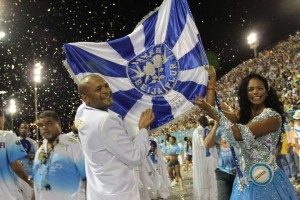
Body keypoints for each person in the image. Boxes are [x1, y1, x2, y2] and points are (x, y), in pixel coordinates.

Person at [195, 72, 298, 199]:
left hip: (267, 181)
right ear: (245, 93)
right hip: (244, 182)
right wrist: (212, 81)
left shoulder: (273, 117)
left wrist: (211, 110)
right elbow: (210, 109)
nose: (255, 92)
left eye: (260, 88)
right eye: (251, 89)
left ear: (267, 92)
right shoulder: (241, 114)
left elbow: (239, 134)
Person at [75, 74, 155, 200]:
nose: (106, 91)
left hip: (98, 193)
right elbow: (135, 157)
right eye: (98, 89)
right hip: (120, 193)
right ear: (85, 98)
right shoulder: (105, 121)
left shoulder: (80, 115)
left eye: (106, 85)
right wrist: (143, 129)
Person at [33, 110, 86, 200]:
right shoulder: (40, 151)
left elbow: (87, 177)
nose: (44, 127)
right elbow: (36, 181)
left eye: (48, 123)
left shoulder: (72, 144)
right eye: (41, 125)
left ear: (59, 124)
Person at [0, 109, 33, 200]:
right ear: (1, 119)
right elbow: (15, 166)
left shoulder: (32, 142)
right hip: (7, 193)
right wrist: (29, 181)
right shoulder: (8, 136)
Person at [193, 115, 218, 200]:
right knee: (211, 178)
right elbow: (208, 144)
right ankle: (211, 196)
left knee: (203, 178)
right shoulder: (205, 131)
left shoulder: (195, 132)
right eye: (206, 120)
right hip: (208, 157)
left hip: (200, 159)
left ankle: (204, 196)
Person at [18, 122, 38, 200]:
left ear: (28, 130)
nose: (23, 130)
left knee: (29, 195)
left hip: (29, 173)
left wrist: (32, 156)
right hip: (17, 173)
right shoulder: (14, 141)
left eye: (25, 128)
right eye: (22, 128)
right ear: (19, 129)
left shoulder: (33, 143)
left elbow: (38, 158)